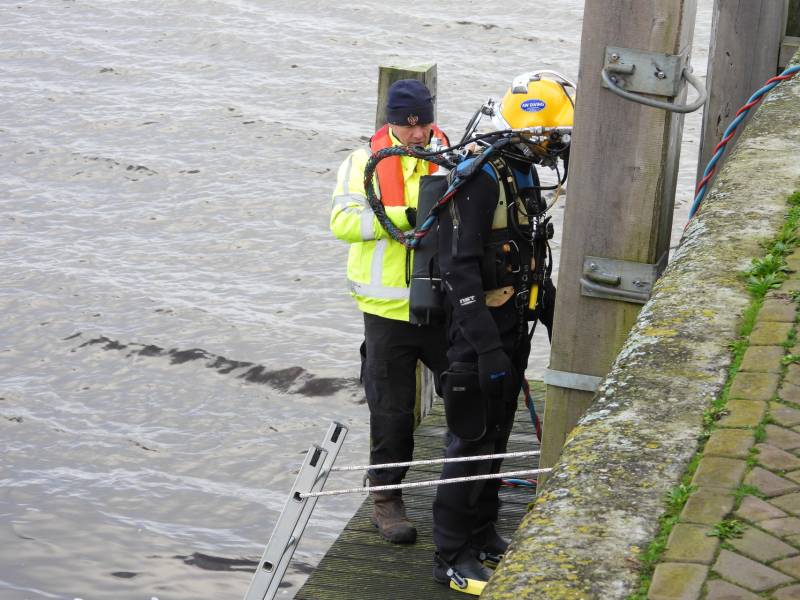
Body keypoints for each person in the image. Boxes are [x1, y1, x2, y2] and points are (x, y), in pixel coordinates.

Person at [430, 71, 574, 593]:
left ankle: (484, 531)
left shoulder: (524, 173)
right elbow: (459, 269)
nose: (557, 148)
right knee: (469, 441)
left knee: (495, 439)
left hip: (514, 329)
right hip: (478, 337)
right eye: (554, 137)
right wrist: (486, 348)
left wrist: (557, 320)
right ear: (533, 130)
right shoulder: (481, 178)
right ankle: (450, 555)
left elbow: (532, 251)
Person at [329, 79, 450, 544]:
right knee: (392, 413)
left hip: (442, 305)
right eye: (405, 126)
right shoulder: (361, 163)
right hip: (384, 313)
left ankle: (462, 493)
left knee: (467, 397)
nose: (415, 135)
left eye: (422, 125)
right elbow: (342, 222)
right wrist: (402, 216)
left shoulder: (453, 157)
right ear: (390, 122)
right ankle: (386, 500)